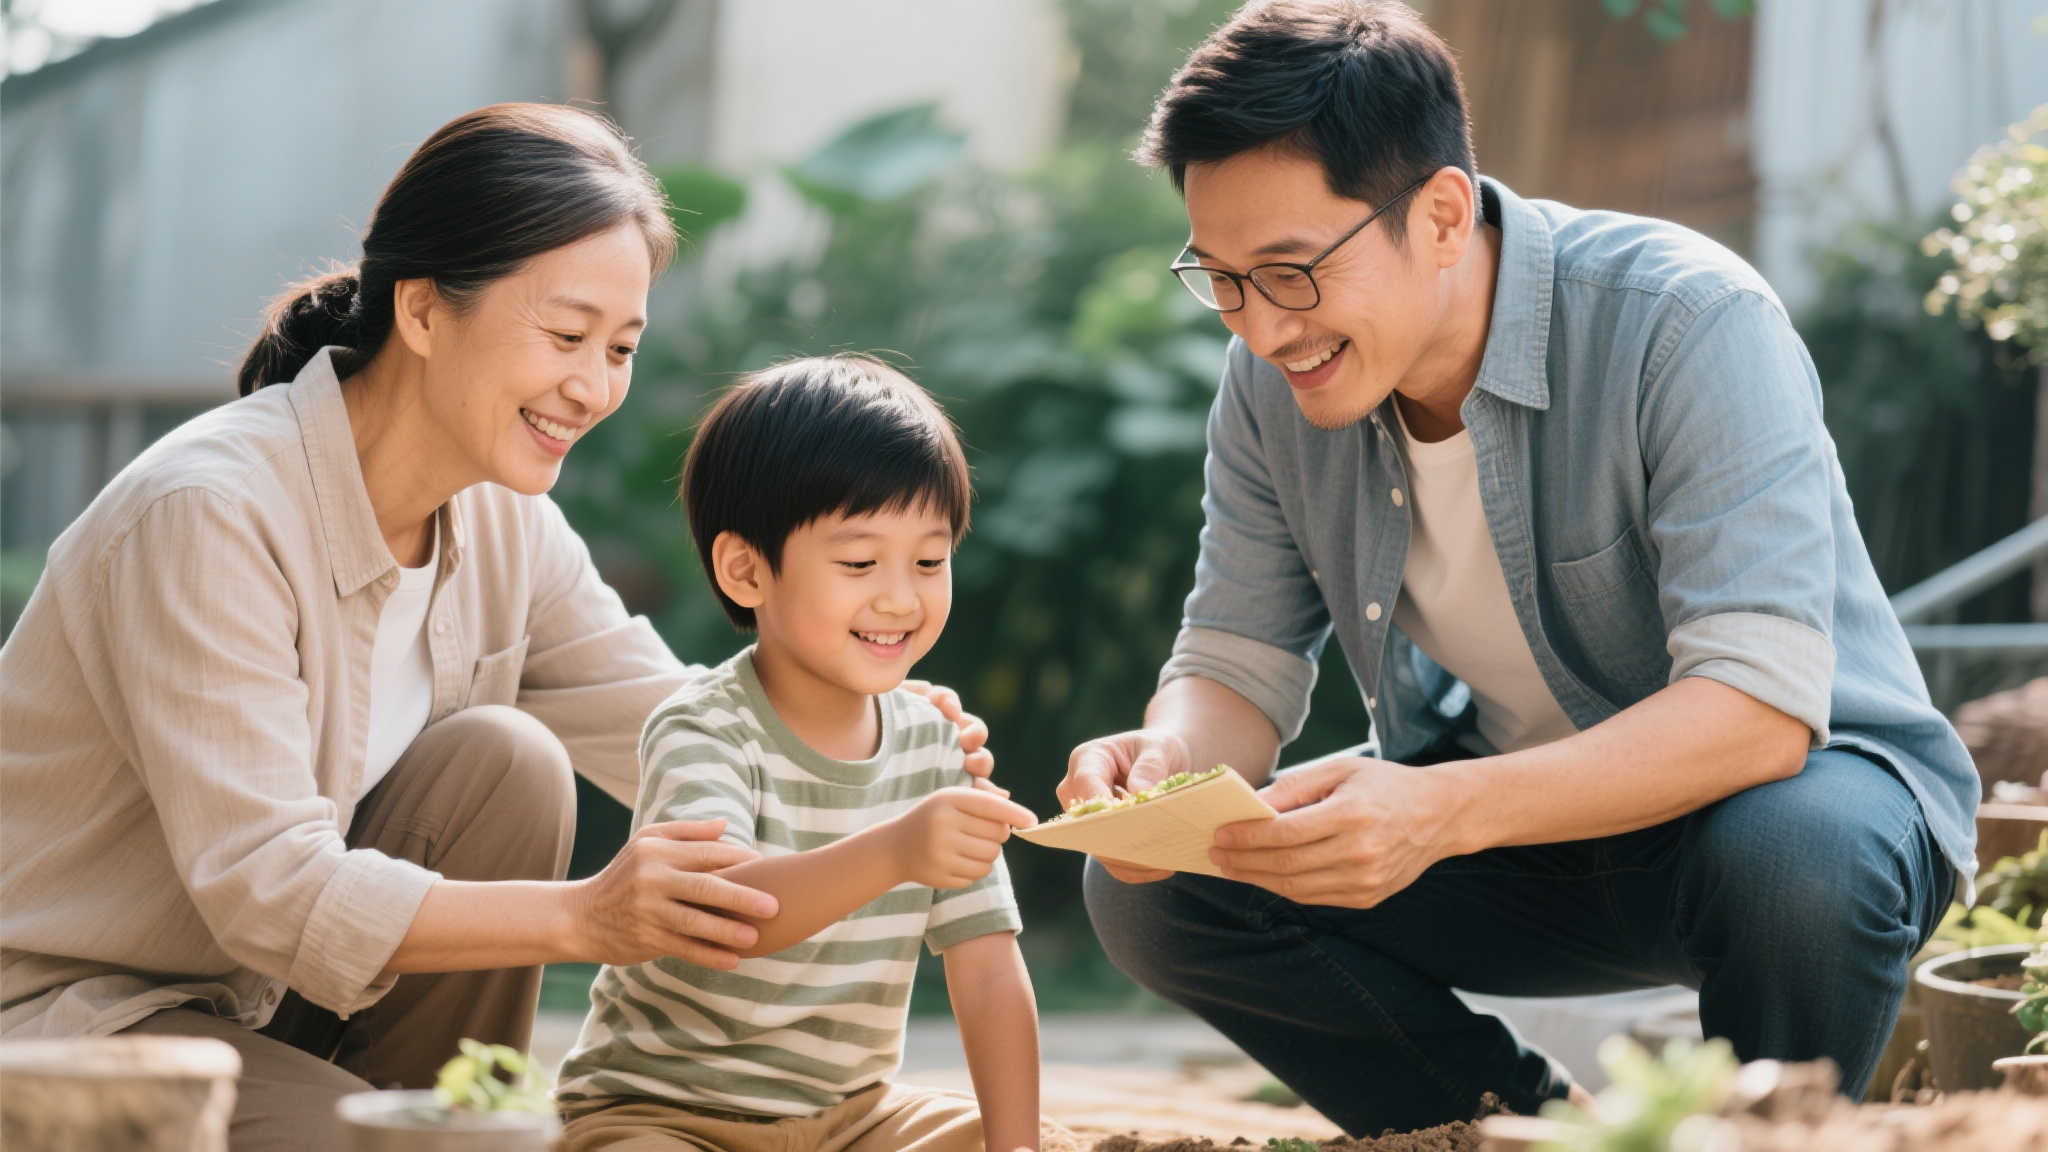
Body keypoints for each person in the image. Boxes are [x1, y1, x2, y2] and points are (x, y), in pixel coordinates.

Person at [0, 104, 998, 1152]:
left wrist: (870, 744)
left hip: (266, 1009)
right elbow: (271, 889)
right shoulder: (210, 513)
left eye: (619, 348)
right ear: (424, 312)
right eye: (566, 337)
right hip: (75, 1031)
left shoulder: (506, 524)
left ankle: (440, 1114)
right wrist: (585, 916)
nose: (594, 386)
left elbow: (684, 723)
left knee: (502, 763)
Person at [1059, 0, 1977, 1135]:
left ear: (1440, 215)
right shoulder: (1269, 392)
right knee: (1159, 891)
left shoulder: (1685, 320)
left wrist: (1439, 811)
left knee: (1793, 860)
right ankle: (1506, 1127)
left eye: (1290, 272)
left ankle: (1760, 1136)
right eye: (1222, 279)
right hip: (1518, 830)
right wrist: (1165, 767)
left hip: (1784, 817)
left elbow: (1758, 714)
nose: (1256, 327)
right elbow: (1233, 662)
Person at [552, 354, 1041, 1152]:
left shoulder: (937, 743)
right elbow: (726, 915)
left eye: (929, 559)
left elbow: (987, 972)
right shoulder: (703, 730)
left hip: (855, 1118)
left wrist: (1013, 1150)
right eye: (858, 562)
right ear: (746, 570)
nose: (900, 596)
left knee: (1035, 1140)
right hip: (665, 1112)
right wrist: (898, 849)